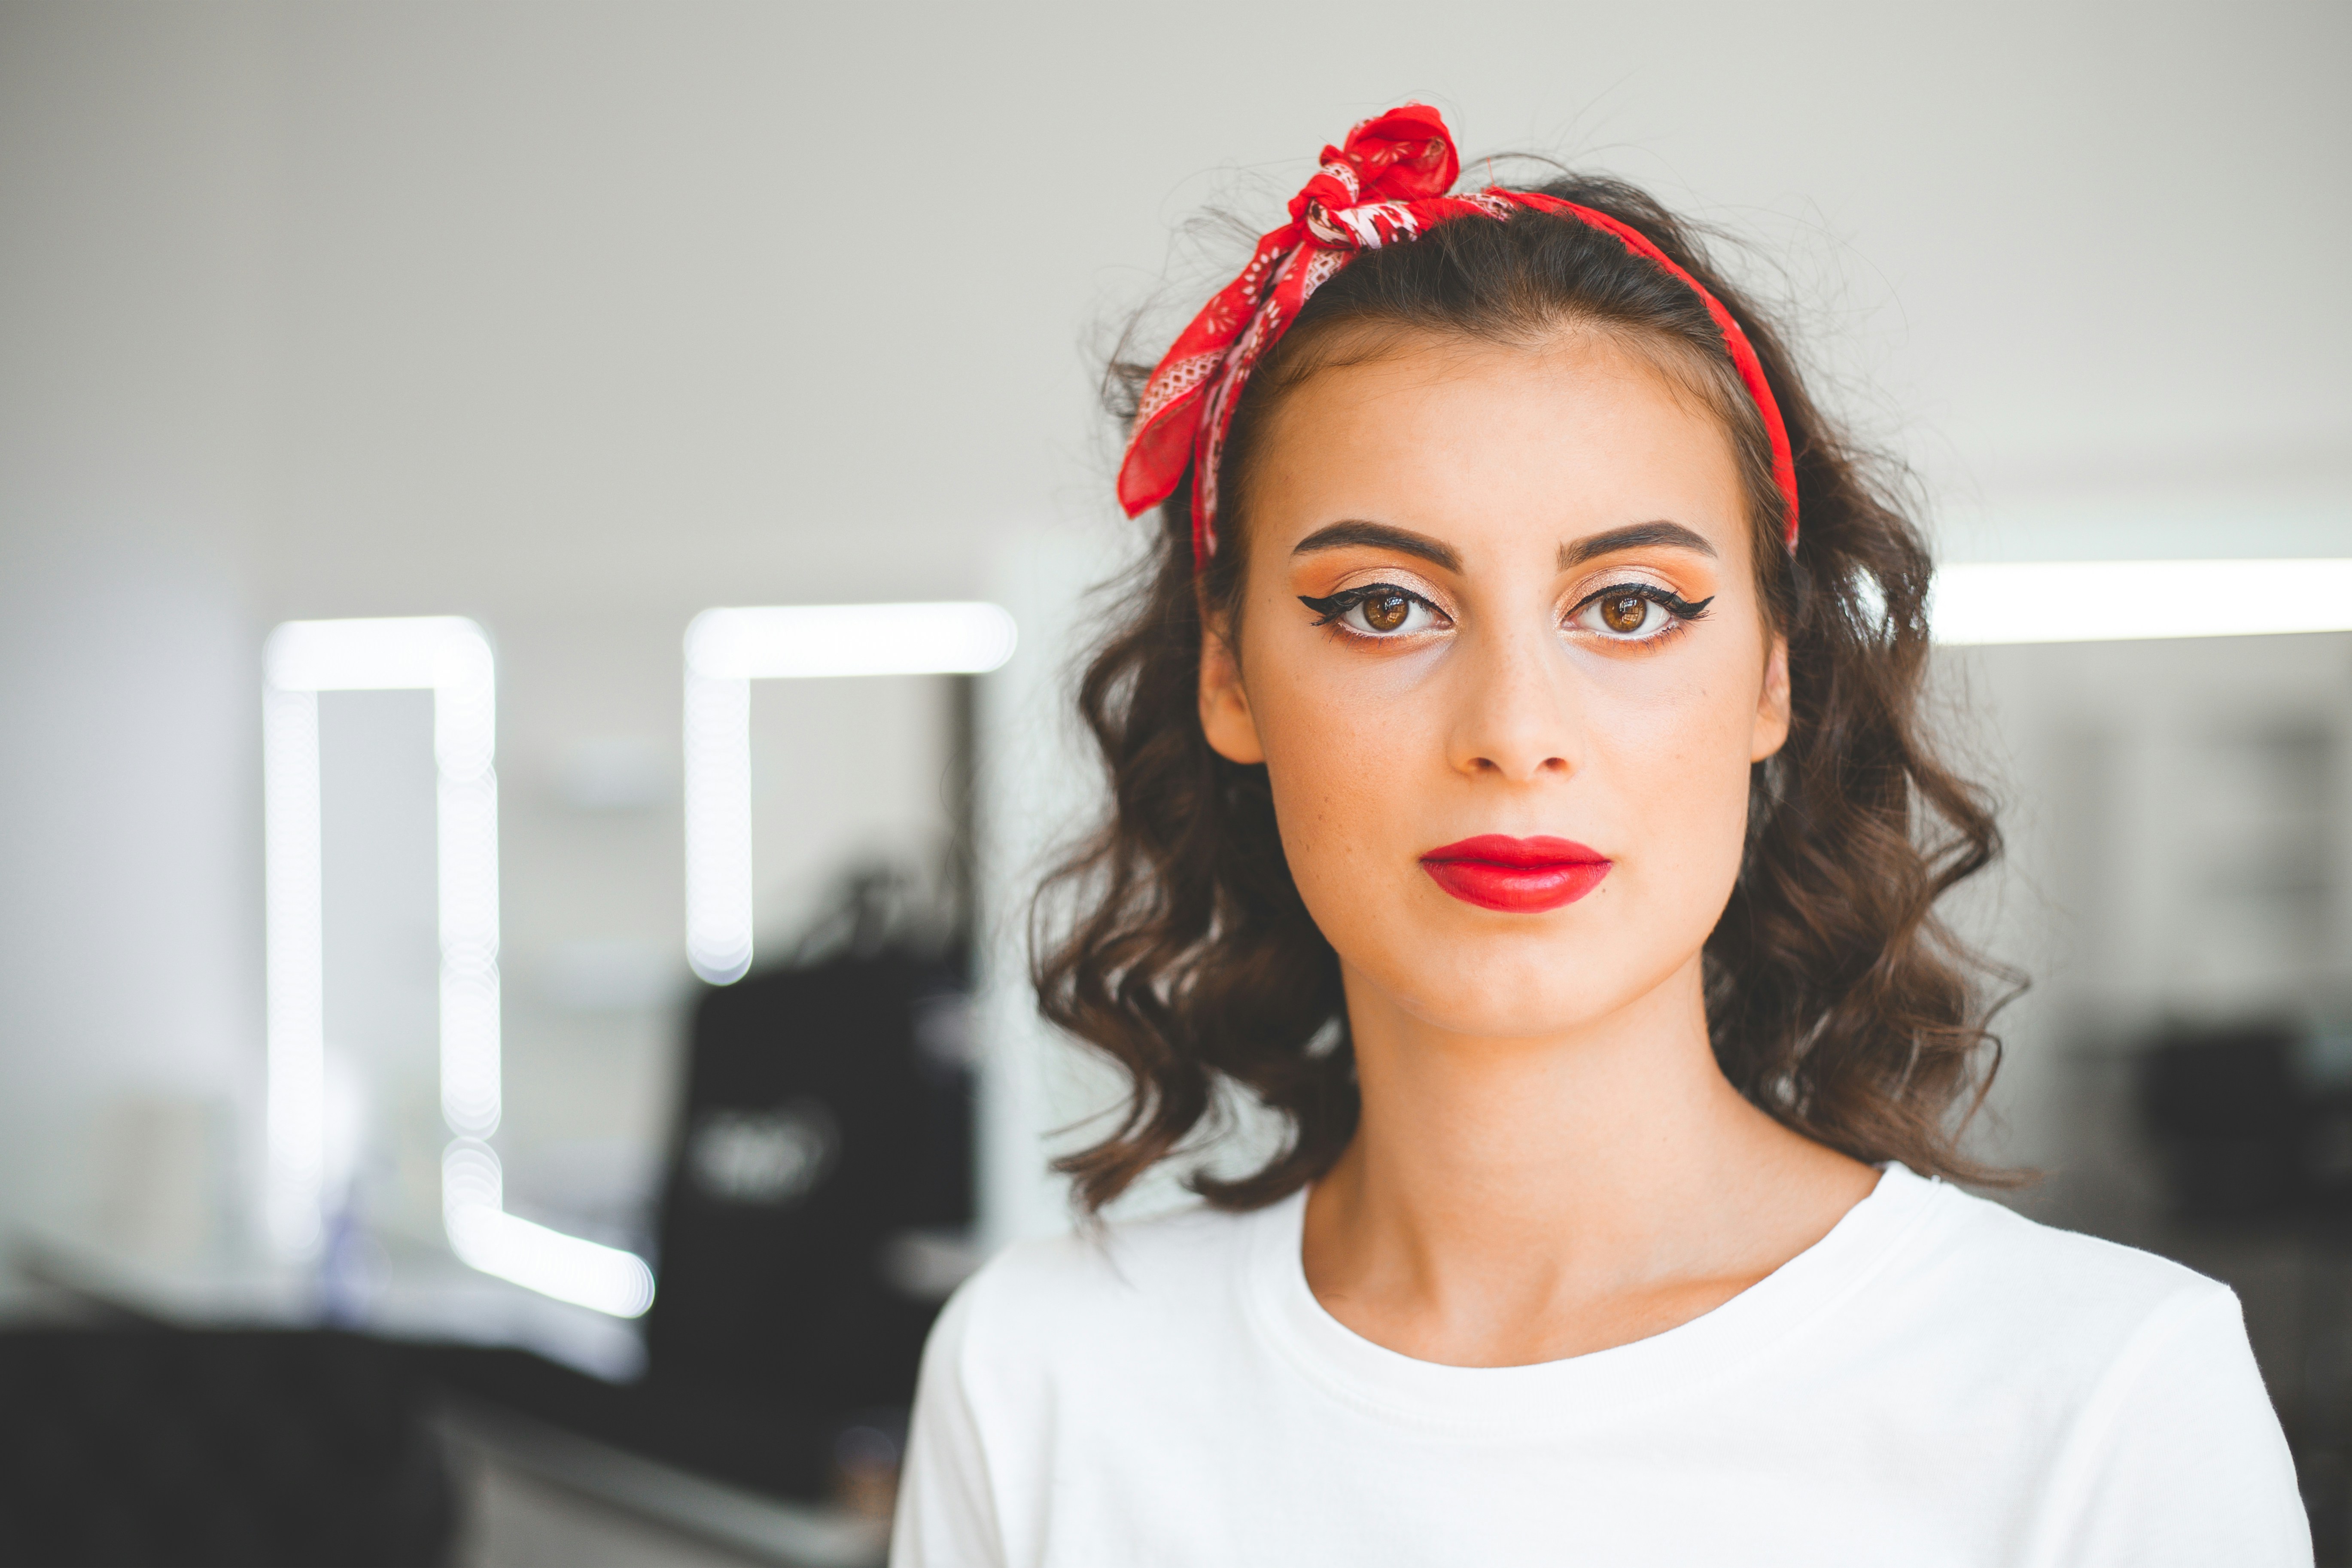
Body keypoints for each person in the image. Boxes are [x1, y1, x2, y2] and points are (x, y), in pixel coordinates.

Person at [890, 105, 2309, 1565]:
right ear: (1229, 673)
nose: (1514, 728)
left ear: (1774, 674)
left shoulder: (2106, 1402)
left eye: (1629, 605)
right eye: (1386, 604)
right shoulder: (1039, 1377)